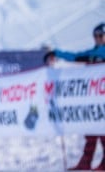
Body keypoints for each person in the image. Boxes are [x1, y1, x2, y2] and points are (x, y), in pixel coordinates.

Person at [47, 22, 105, 171]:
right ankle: (85, 162)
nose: (98, 38)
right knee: (91, 131)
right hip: (94, 99)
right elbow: (76, 57)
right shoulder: (93, 53)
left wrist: (57, 53)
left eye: (101, 35)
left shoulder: (97, 54)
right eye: (96, 36)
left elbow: (80, 57)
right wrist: (56, 54)